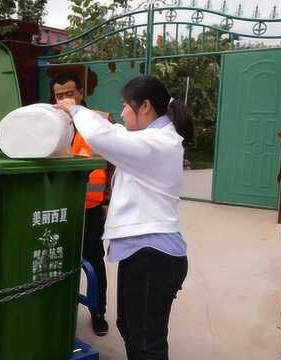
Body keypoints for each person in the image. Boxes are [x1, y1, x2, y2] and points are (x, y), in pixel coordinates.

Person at [54, 75, 192, 360]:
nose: (122, 113)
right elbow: (115, 131)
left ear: (145, 107)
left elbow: (105, 136)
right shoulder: (150, 138)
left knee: (145, 343)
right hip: (144, 254)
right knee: (129, 328)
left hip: (153, 257)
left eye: (125, 106)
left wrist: (75, 109)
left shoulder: (158, 142)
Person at [50, 72, 111, 336]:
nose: (64, 99)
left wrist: (108, 201)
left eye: (69, 93)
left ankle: (98, 311)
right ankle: (63, 306)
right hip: (59, 206)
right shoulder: (48, 122)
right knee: (59, 259)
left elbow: (113, 163)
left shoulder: (98, 121)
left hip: (90, 207)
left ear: (81, 94)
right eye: (59, 95)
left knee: (94, 260)